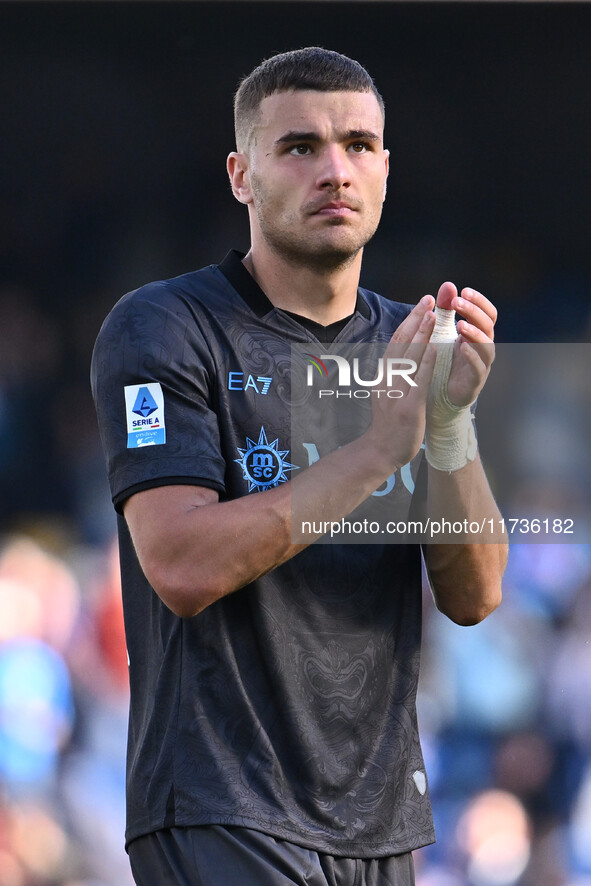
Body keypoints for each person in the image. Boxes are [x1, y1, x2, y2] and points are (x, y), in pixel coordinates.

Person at [91, 47, 507, 886]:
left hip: (381, 818)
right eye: (299, 147)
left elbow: (475, 596)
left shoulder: (408, 345)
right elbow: (179, 563)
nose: (335, 170)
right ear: (242, 175)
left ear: (386, 170)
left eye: (358, 145)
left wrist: (448, 429)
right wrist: (377, 451)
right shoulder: (164, 328)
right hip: (221, 805)